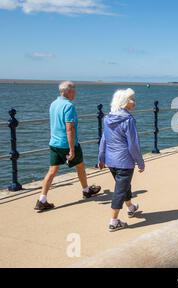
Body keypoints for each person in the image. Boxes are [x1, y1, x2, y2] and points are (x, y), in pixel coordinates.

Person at [35, 81, 102, 212]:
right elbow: (69, 128)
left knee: (52, 171)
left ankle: (42, 200)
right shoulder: (69, 106)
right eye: (74, 90)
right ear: (69, 91)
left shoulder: (53, 104)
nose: (75, 93)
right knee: (80, 166)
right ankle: (86, 190)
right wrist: (72, 149)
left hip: (54, 143)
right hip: (67, 143)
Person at [98, 88, 145, 232]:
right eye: (132, 99)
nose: (134, 102)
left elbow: (103, 140)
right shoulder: (128, 120)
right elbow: (133, 144)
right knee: (120, 189)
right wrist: (140, 162)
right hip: (124, 161)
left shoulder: (107, 119)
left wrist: (101, 158)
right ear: (124, 102)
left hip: (111, 161)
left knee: (123, 185)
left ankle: (131, 207)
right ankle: (114, 221)